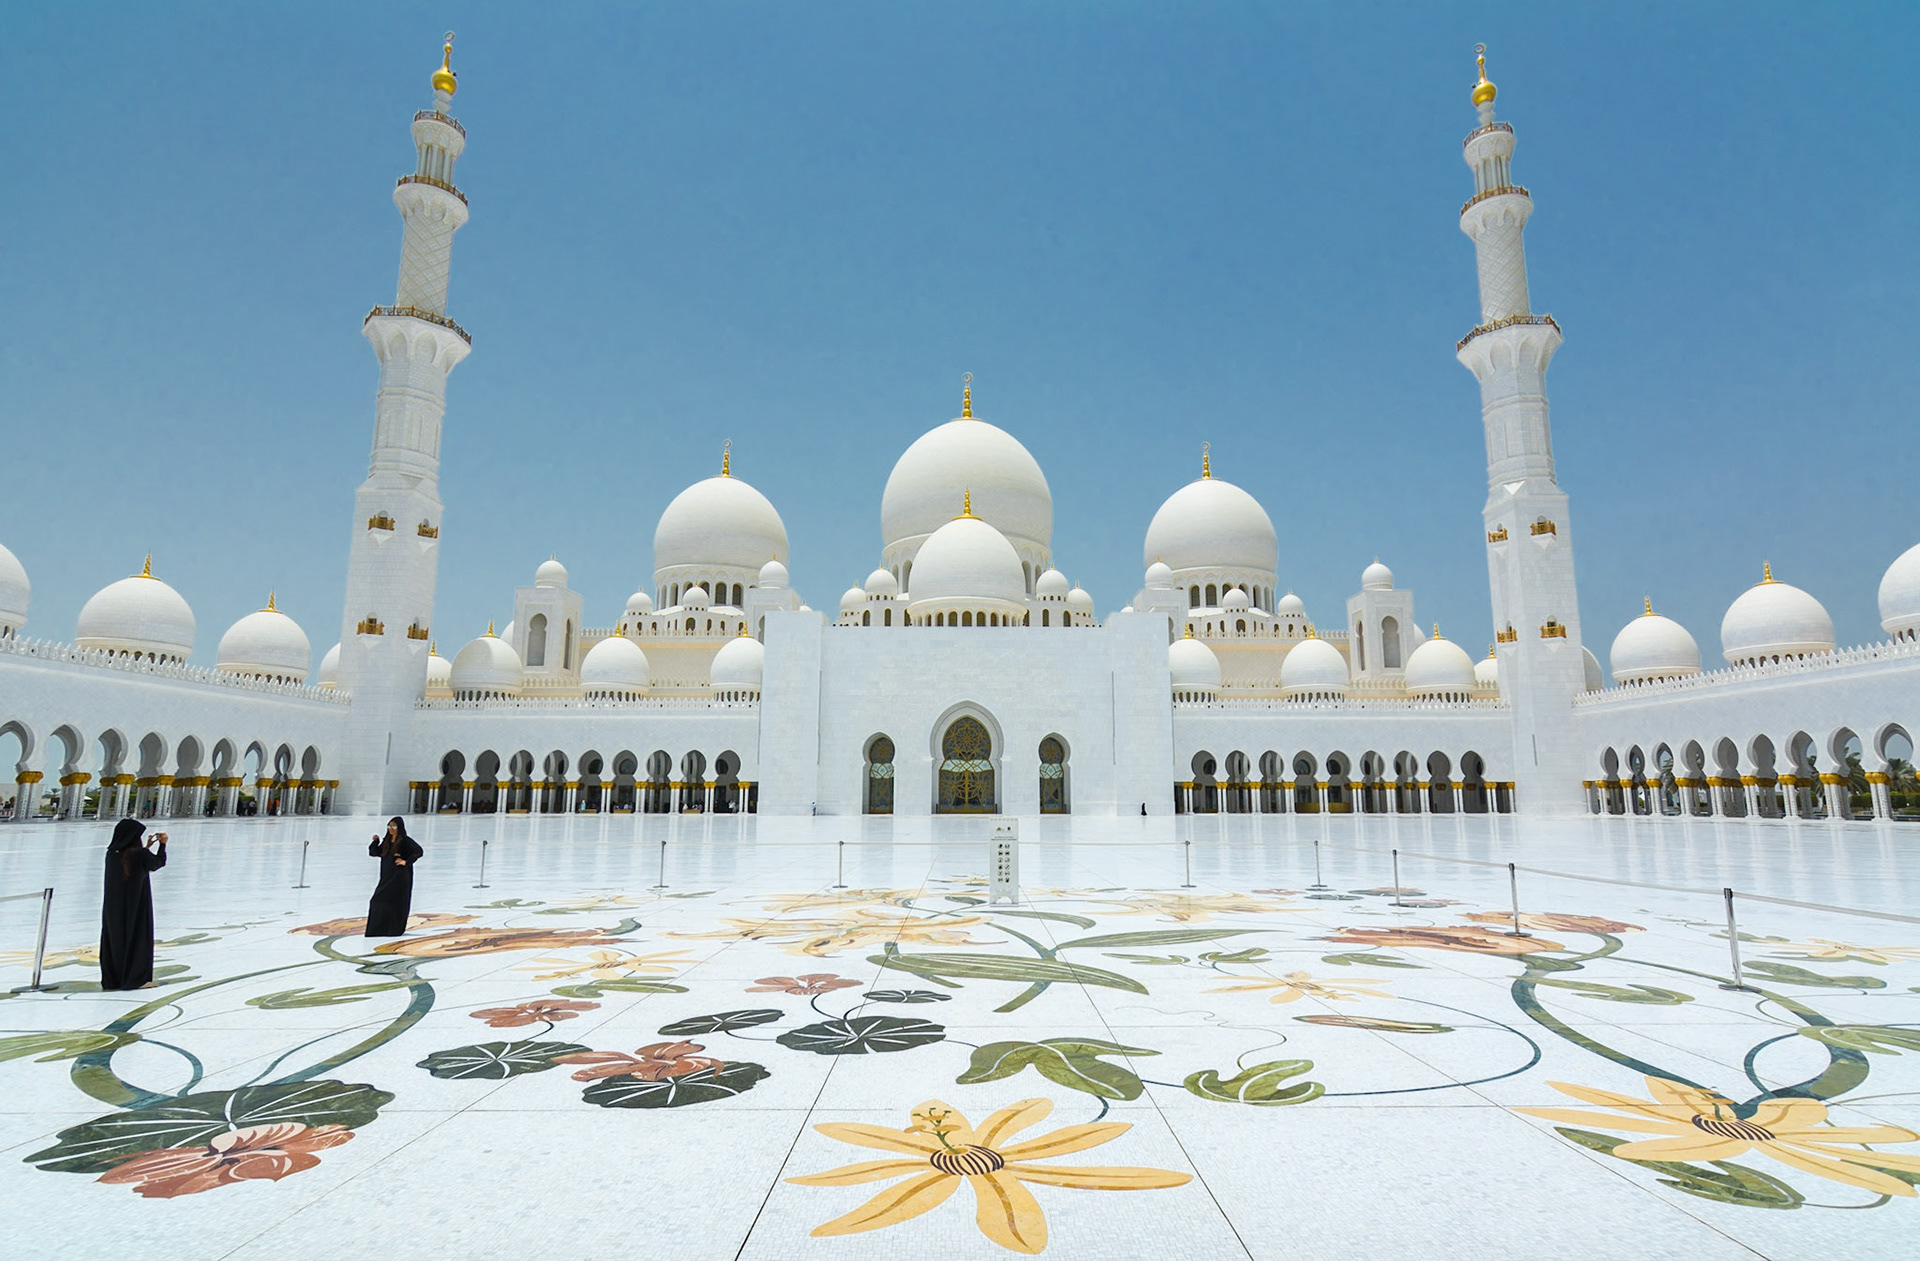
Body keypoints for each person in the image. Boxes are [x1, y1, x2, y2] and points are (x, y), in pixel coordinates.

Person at [100, 818, 167, 990]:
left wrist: (145, 848)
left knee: (116, 940)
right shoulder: (139, 855)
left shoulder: (112, 854)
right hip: (136, 905)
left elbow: (132, 860)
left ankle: (114, 979)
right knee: (137, 939)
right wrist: (162, 845)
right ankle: (137, 979)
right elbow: (157, 863)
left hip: (113, 908)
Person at [365, 816, 424, 937]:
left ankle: (394, 929)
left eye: (394, 826)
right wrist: (375, 842)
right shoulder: (386, 841)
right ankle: (378, 929)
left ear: (399, 828)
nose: (391, 829)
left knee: (395, 903)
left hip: (400, 878)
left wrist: (406, 862)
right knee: (377, 901)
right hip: (386, 877)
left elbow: (419, 851)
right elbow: (374, 853)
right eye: (389, 826)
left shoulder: (405, 841)